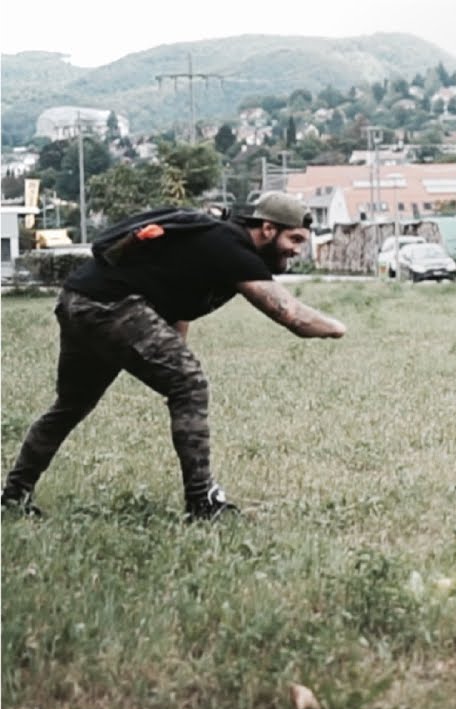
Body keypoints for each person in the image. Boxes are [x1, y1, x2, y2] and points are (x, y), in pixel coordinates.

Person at [1, 193, 347, 520]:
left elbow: (178, 305)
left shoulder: (216, 243)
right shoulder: (232, 247)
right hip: (108, 306)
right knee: (189, 383)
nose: (297, 251)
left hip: (77, 301)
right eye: (295, 241)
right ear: (268, 229)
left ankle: (14, 496)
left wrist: (173, 363)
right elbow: (292, 316)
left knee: (72, 405)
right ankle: (202, 501)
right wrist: (340, 328)